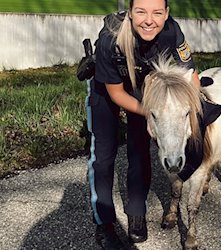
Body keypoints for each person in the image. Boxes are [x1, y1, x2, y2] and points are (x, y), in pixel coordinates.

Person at [85, 0, 208, 249]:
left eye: (157, 12)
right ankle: (105, 224)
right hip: (108, 89)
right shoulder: (111, 39)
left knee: (140, 150)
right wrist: (154, 113)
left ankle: (136, 213)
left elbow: (191, 76)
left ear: (166, 14)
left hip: (144, 88)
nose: (149, 20)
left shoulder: (172, 31)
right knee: (103, 156)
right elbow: (117, 95)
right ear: (130, 13)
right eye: (140, 11)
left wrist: (184, 111)